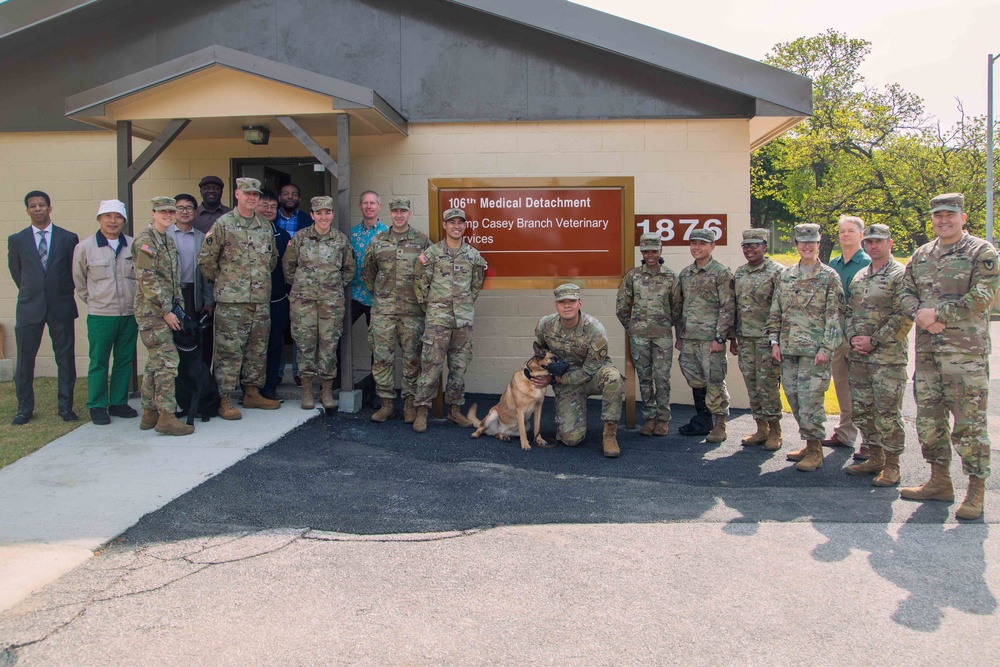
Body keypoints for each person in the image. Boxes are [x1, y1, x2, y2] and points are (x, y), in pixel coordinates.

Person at [898, 193, 1000, 520]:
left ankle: (976, 489)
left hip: (965, 356)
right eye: (938, 215)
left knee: (968, 425)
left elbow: (983, 297)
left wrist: (937, 312)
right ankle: (939, 481)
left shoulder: (981, 252)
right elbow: (905, 292)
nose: (944, 220)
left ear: (963, 217)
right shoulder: (922, 253)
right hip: (928, 355)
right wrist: (921, 315)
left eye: (950, 215)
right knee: (929, 420)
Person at [197, 177, 280, 419]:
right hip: (232, 302)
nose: (252, 198)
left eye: (256, 194)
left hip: (259, 300)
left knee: (257, 350)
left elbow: (271, 259)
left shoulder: (264, 226)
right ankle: (224, 398)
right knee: (228, 351)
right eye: (247, 194)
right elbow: (207, 262)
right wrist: (228, 283)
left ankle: (252, 392)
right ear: (237, 194)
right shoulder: (222, 224)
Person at [767, 223, 844, 472]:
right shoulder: (786, 275)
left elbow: (835, 316)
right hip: (789, 349)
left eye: (812, 242)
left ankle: (815, 448)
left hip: (815, 353)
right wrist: (774, 341)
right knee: (794, 398)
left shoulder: (829, 276)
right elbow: (776, 310)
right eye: (803, 242)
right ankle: (808, 441)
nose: (807, 246)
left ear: (818, 244)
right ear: (796, 245)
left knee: (811, 400)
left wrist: (827, 348)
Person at [842, 224, 912, 486]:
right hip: (859, 355)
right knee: (862, 409)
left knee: (887, 412)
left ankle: (893, 465)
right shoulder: (860, 276)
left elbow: (904, 316)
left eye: (878, 242)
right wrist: (852, 339)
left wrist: (874, 340)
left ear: (889, 243)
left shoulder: (900, 274)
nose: (873, 246)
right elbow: (849, 312)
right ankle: (875, 455)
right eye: (869, 241)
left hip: (887, 357)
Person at [411, 207, 488, 433]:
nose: (456, 226)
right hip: (437, 320)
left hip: (462, 321)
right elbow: (420, 284)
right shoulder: (432, 254)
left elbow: (476, 286)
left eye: (460, 222)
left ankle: (454, 410)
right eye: (452, 222)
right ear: (444, 225)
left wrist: (463, 306)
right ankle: (422, 411)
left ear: (464, 226)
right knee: (431, 366)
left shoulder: (473, 255)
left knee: (458, 367)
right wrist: (433, 308)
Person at [7, 190, 79, 425]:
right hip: (30, 306)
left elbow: (72, 271)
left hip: (61, 305)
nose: (37, 209)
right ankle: (24, 408)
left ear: (50, 207)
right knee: (25, 359)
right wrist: (33, 290)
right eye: (32, 206)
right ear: (27, 210)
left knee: (65, 358)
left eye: (41, 205)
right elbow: (17, 272)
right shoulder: (17, 240)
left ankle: (66, 407)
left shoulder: (68, 238)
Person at [532, 283, 624, 457]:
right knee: (570, 439)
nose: (567, 306)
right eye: (562, 302)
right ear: (556, 305)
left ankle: (610, 435)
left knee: (613, 377)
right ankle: (575, 417)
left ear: (580, 303)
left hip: (592, 376)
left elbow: (589, 370)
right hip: (568, 381)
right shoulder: (545, 325)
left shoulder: (595, 330)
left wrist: (555, 380)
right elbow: (542, 353)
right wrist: (549, 372)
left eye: (572, 301)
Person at [361, 196, 431, 423]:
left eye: (403, 211)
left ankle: (409, 404)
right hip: (384, 310)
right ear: (390, 214)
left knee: (412, 358)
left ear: (409, 213)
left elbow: (429, 273)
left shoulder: (421, 241)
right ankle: (387, 403)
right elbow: (368, 273)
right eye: (395, 211)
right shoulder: (378, 241)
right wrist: (383, 296)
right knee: (382, 358)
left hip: (412, 311)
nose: (399, 215)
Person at [283, 196, 355, 410]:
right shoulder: (300, 238)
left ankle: (325, 389)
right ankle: (306, 389)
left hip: (331, 303)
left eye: (327, 212)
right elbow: (288, 267)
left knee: (328, 345)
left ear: (332, 214)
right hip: (303, 302)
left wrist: (333, 287)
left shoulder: (341, 240)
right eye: (319, 213)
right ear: (312, 215)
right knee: (304, 345)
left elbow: (349, 269)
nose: (324, 217)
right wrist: (303, 286)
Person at [72, 199, 138, 426]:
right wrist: (94, 300)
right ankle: (97, 405)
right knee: (99, 361)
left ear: (124, 221)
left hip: (129, 314)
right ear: (99, 219)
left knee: (124, 359)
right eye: (108, 216)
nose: (113, 221)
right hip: (101, 315)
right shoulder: (85, 247)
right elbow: (79, 281)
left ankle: (119, 401)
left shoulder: (134, 245)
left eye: (118, 217)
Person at [132, 197, 193, 436]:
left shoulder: (167, 239)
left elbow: (172, 278)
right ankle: (167, 416)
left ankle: (149, 413)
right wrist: (165, 311)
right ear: (153, 213)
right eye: (163, 211)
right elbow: (146, 278)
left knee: (155, 362)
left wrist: (178, 306)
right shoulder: (146, 241)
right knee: (168, 362)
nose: (168, 215)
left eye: (172, 211)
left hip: (166, 309)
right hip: (153, 313)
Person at [615, 232, 680, 436]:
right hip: (639, 337)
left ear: (660, 251)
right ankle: (649, 418)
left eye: (654, 250)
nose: (650, 255)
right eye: (646, 251)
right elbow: (622, 306)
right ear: (641, 252)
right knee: (644, 377)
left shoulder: (670, 277)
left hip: (662, 337)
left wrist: (668, 325)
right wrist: (632, 327)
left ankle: (663, 419)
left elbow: (677, 307)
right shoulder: (633, 276)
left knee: (662, 378)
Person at [675, 228, 735, 443]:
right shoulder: (685, 274)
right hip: (690, 338)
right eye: (693, 243)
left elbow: (727, 308)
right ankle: (703, 420)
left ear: (712, 247)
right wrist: (680, 336)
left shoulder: (721, 273)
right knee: (696, 380)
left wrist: (720, 338)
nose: (697, 247)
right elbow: (680, 308)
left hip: (710, 340)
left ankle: (720, 425)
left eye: (702, 243)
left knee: (715, 380)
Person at [731, 228, 783, 450]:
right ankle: (761, 428)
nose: (749, 249)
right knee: (751, 384)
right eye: (745, 246)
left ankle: (776, 430)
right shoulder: (740, 273)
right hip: (745, 338)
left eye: (754, 245)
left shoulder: (777, 272)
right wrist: (732, 337)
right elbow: (735, 307)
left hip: (766, 339)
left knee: (768, 385)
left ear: (765, 246)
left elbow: (781, 308)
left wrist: (776, 340)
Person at [824, 215, 871, 457]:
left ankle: (869, 440)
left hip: (861, 336)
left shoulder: (869, 263)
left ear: (861, 235)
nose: (845, 235)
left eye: (851, 231)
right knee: (842, 386)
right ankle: (845, 433)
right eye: (842, 231)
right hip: (837, 336)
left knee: (863, 390)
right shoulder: (833, 264)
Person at [342, 190, 387, 404]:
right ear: (360, 207)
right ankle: (338, 380)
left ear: (379, 206)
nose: (369, 206)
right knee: (337, 334)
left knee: (378, 345)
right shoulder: (350, 234)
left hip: (378, 299)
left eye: (372, 203)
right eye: (365, 203)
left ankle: (375, 388)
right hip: (355, 295)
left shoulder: (388, 233)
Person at [169, 193, 215, 366]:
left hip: (194, 294)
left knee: (198, 339)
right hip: (172, 295)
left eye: (189, 208)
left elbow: (208, 271)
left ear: (195, 212)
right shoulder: (164, 236)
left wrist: (209, 301)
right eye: (180, 207)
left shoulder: (202, 237)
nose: (184, 211)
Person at [256, 190, 292, 401]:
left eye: (272, 207)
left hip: (277, 299)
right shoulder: (244, 234)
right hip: (251, 301)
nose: (268, 210)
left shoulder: (283, 235)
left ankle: (269, 385)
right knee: (252, 346)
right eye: (264, 206)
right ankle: (250, 388)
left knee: (274, 344)